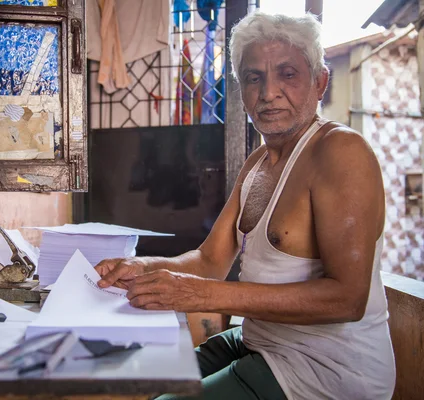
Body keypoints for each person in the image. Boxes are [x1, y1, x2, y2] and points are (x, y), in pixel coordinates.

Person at [95, 11, 395, 400]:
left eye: (287, 74)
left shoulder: (341, 152)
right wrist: (143, 267)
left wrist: (200, 295)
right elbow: (208, 262)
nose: (268, 92)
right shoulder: (258, 162)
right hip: (259, 340)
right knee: (119, 384)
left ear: (320, 81)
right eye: (254, 78)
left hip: (324, 370)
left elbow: (348, 299)